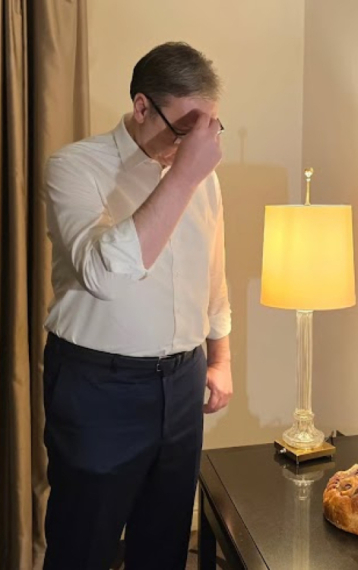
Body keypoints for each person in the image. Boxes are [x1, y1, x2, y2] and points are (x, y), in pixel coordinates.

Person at [42, 42, 232, 570]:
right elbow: (104, 274)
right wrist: (184, 176)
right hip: (97, 386)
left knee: (165, 544)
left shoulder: (205, 179)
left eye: (209, 129)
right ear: (142, 107)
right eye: (185, 129)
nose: (198, 146)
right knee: (82, 546)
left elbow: (213, 272)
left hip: (183, 381)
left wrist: (220, 357)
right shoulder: (74, 167)